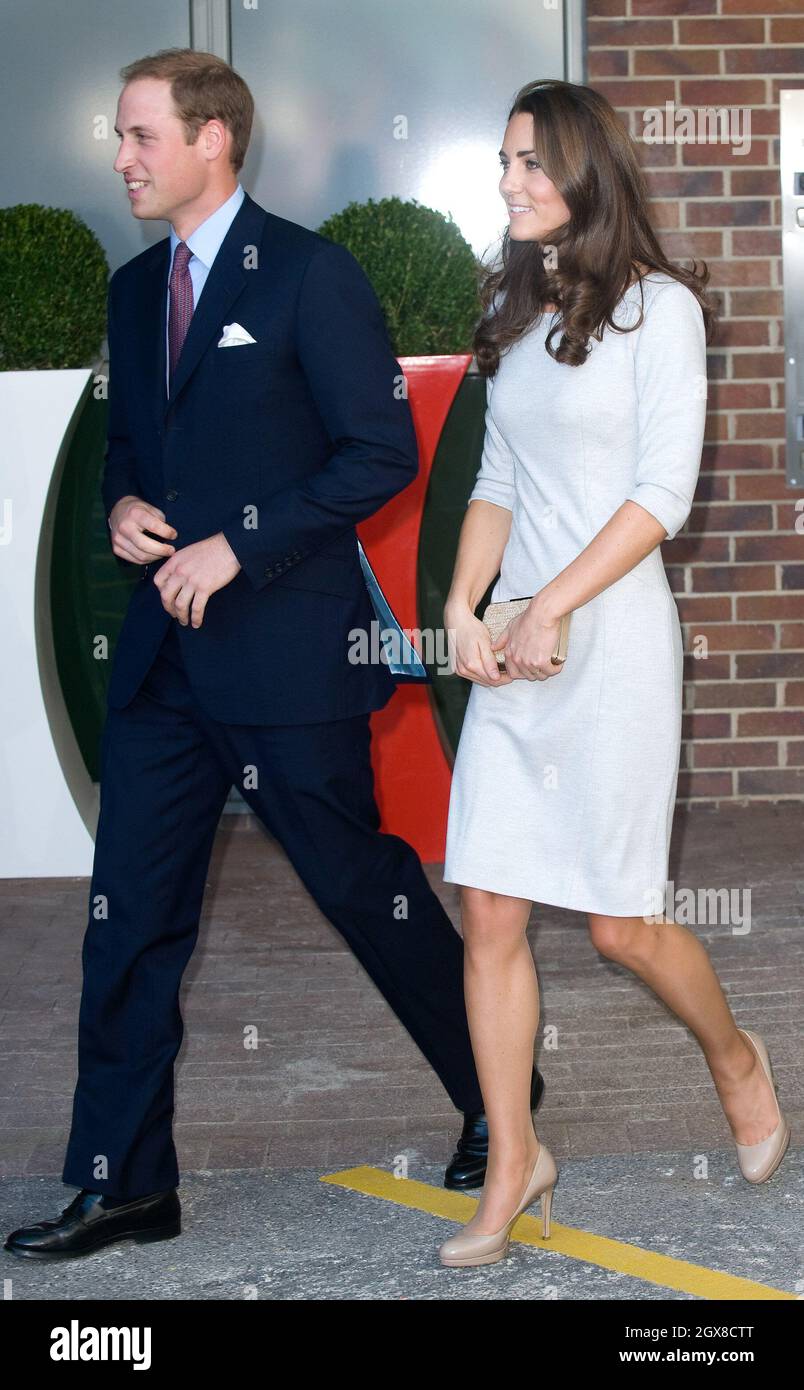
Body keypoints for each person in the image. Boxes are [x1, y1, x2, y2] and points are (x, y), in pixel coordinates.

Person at [4, 48, 545, 1263]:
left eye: (142, 136)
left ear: (214, 141)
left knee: (362, 886)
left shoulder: (311, 274)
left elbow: (377, 457)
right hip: (163, 671)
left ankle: (497, 1096)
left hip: (289, 658)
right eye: (121, 137)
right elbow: (138, 449)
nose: (122, 157)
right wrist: (125, 511)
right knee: (128, 916)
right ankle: (123, 1180)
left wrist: (234, 545)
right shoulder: (139, 292)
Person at [437, 78, 791, 1269]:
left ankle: (734, 1055)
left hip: (612, 643)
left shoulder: (660, 312)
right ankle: (513, 1162)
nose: (509, 183)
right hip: (519, 649)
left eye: (529, 163)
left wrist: (554, 606)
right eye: (502, 163)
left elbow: (660, 498)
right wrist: (463, 604)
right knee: (487, 908)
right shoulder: (519, 313)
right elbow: (494, 483)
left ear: (585, 170)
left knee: (621, 929)